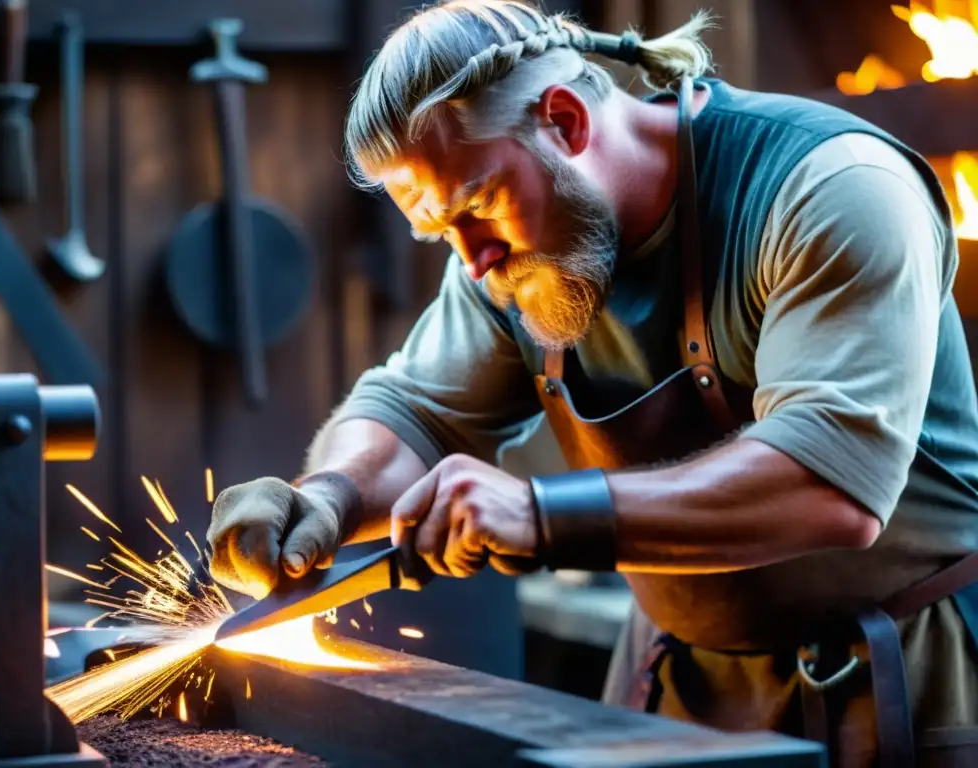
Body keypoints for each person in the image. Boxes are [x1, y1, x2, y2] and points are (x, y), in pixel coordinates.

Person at [205, 1, 978, 764]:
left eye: (476, 208)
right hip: (675, 678)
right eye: (443, 231)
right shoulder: (502, 258)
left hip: (901, 674)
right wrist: (330, 497)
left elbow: (829, 485)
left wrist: (541, 516)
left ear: (566, 122)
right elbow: (417, 412)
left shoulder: (831, 188)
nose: (471, 260)